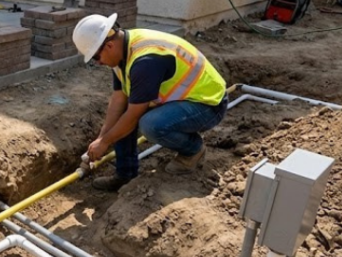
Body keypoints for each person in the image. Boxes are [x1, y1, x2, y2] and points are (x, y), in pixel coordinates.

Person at [73, 13, 228, 192]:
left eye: (95, 57)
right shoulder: (122, 52)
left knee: (150, 124)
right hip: (181, 101)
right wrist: (102, 138)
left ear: (108, 45)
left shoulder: (145, 61)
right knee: (124, 116)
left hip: (208, 104)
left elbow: (133, 116)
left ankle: (193, 150)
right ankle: (125, 175)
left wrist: (106, 142)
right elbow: (118, 99)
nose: (98, 63)